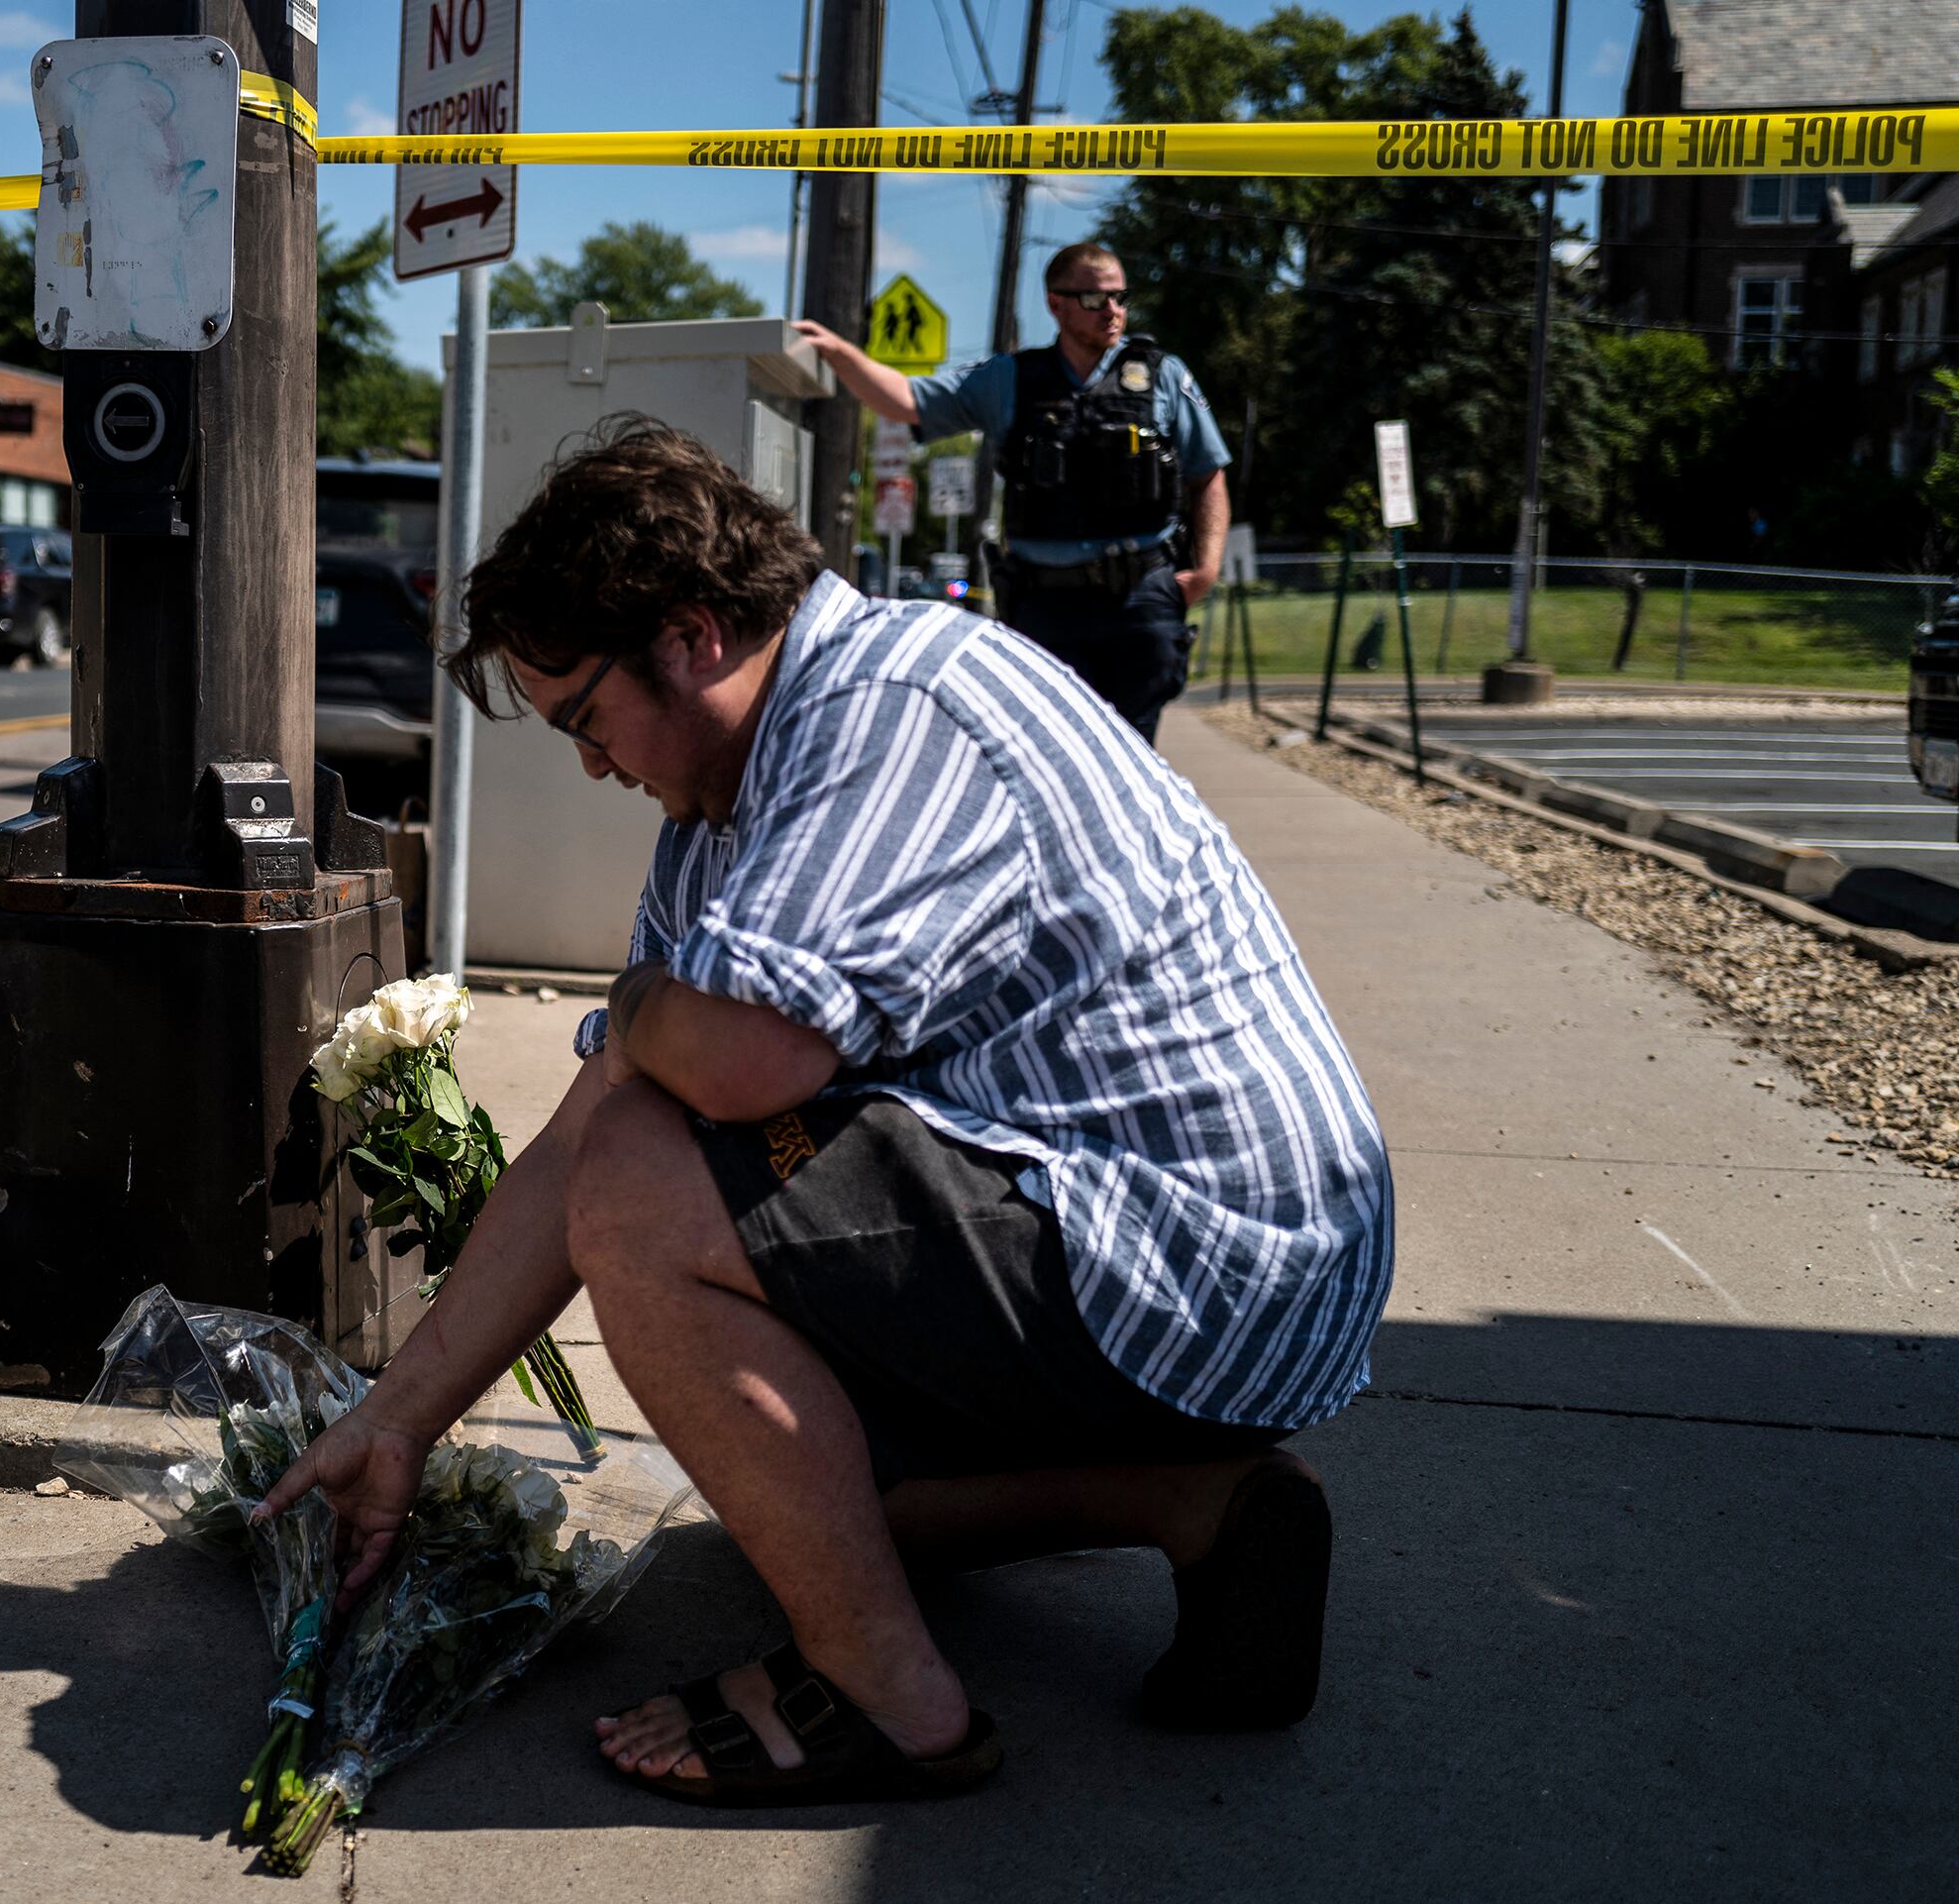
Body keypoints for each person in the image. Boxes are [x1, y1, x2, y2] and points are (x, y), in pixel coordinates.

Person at [259, 417, 1394, 1807]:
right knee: (794, 1498)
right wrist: (400, 1421)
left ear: (686, 636)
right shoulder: (737, 792)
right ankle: (1196, 1501)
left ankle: (885, 1695)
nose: (592, 766)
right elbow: (596, 1101)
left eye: (582, 717)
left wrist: (647, 1009)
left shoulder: (891, 711)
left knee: (651, 1183)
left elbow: (721, 1075)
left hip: (1213, 1253)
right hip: (1141, 1227)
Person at [797, 241, 1231, 742]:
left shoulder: (1162, 375)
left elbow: (1208, 472)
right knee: (1045, 749)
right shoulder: (1010, 379)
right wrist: (840, 353)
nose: (1113, 312)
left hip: (1140, 599)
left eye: (1120, 297)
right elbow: (907, 400)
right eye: (1095, 299)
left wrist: (1207, 568)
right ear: (1056, 304)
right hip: (1045, 602)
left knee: (1133, 747)